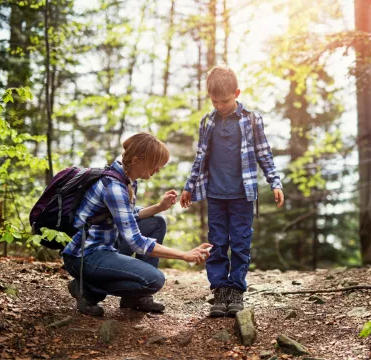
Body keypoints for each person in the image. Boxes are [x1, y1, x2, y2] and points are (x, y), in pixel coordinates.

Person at [63, 132, 212, 316]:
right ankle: (87, 289)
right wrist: (184, 255)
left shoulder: (127, 179)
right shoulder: (114, 186)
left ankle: (134, 298)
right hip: (86, 255)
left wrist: (159, 207)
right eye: (155, 164)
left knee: (156, 223)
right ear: (136, 160)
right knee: (153, 280)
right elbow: (136, 241)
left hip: (107, 245)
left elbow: (128, 216)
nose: (158, 169)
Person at [180, 65, 284, 317]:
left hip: (242, 195)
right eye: (215, 101)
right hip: (215, 195)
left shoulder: (251, 119)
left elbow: (263, 153)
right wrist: (189, 186)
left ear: (236, 93)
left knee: (240, 243)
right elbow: (200, 157)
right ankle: (219, 290)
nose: (220, 105)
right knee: (217, 243)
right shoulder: (207, 122)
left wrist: (275, 182)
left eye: (225, 100)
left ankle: (236, 289)